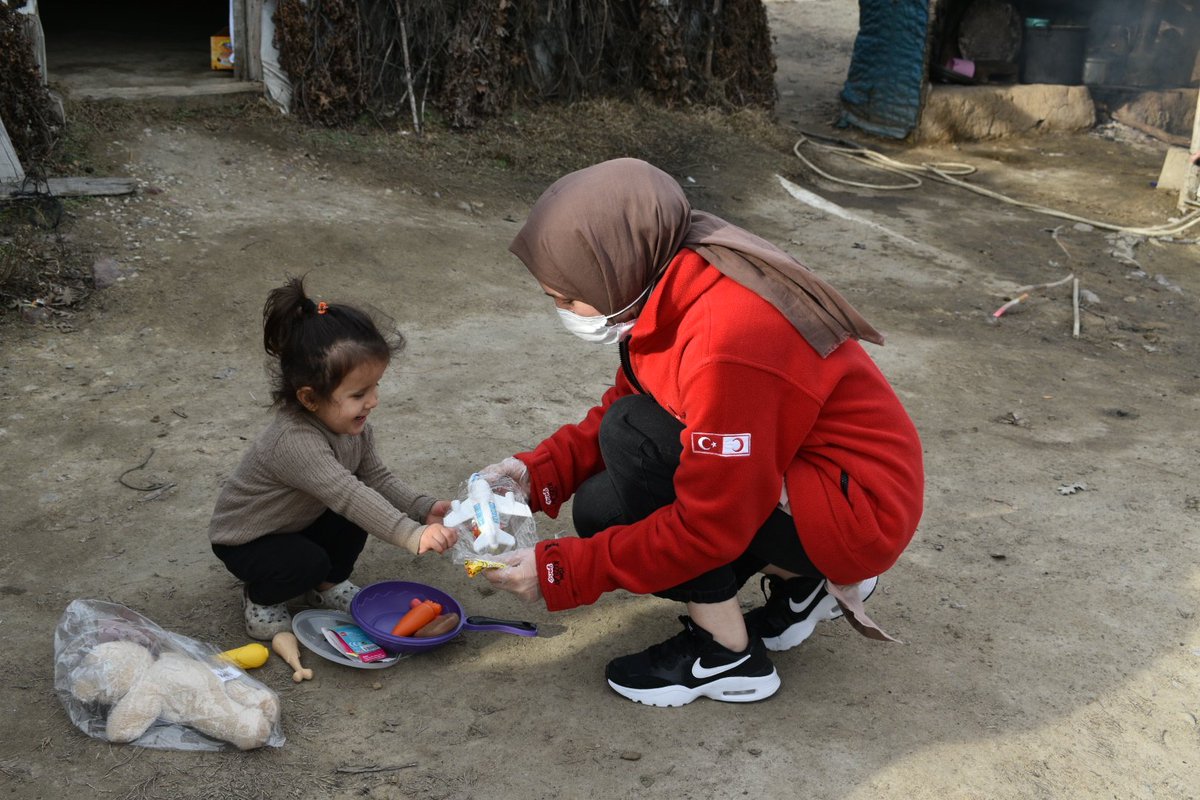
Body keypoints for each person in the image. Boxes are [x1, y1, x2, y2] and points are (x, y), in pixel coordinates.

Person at [481, 158, 924, 707]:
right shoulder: (672, 275)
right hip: (810, 477)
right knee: (604, 502)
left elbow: (708, 524)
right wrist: (536, 472)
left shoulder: (727, 341)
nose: (564, 311)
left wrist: (561, 570)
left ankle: (726, 655)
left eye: (569, 297)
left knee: (634, 445)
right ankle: (802, 582)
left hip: (856, 512)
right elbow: (639, 396)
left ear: (613, 266)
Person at [209, 276, 457, 640]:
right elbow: (348, 494)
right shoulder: (294, 442)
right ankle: (261, 597)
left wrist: (424, 508)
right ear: (309, 399)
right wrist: (411, 534)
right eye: (359, 394)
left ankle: (326, 585)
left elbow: (376, 478)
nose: (372, 401)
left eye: (376, 387)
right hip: (248, 539)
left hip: (296, 522)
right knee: (309, 557)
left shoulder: (353, 427)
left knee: (354, 518)